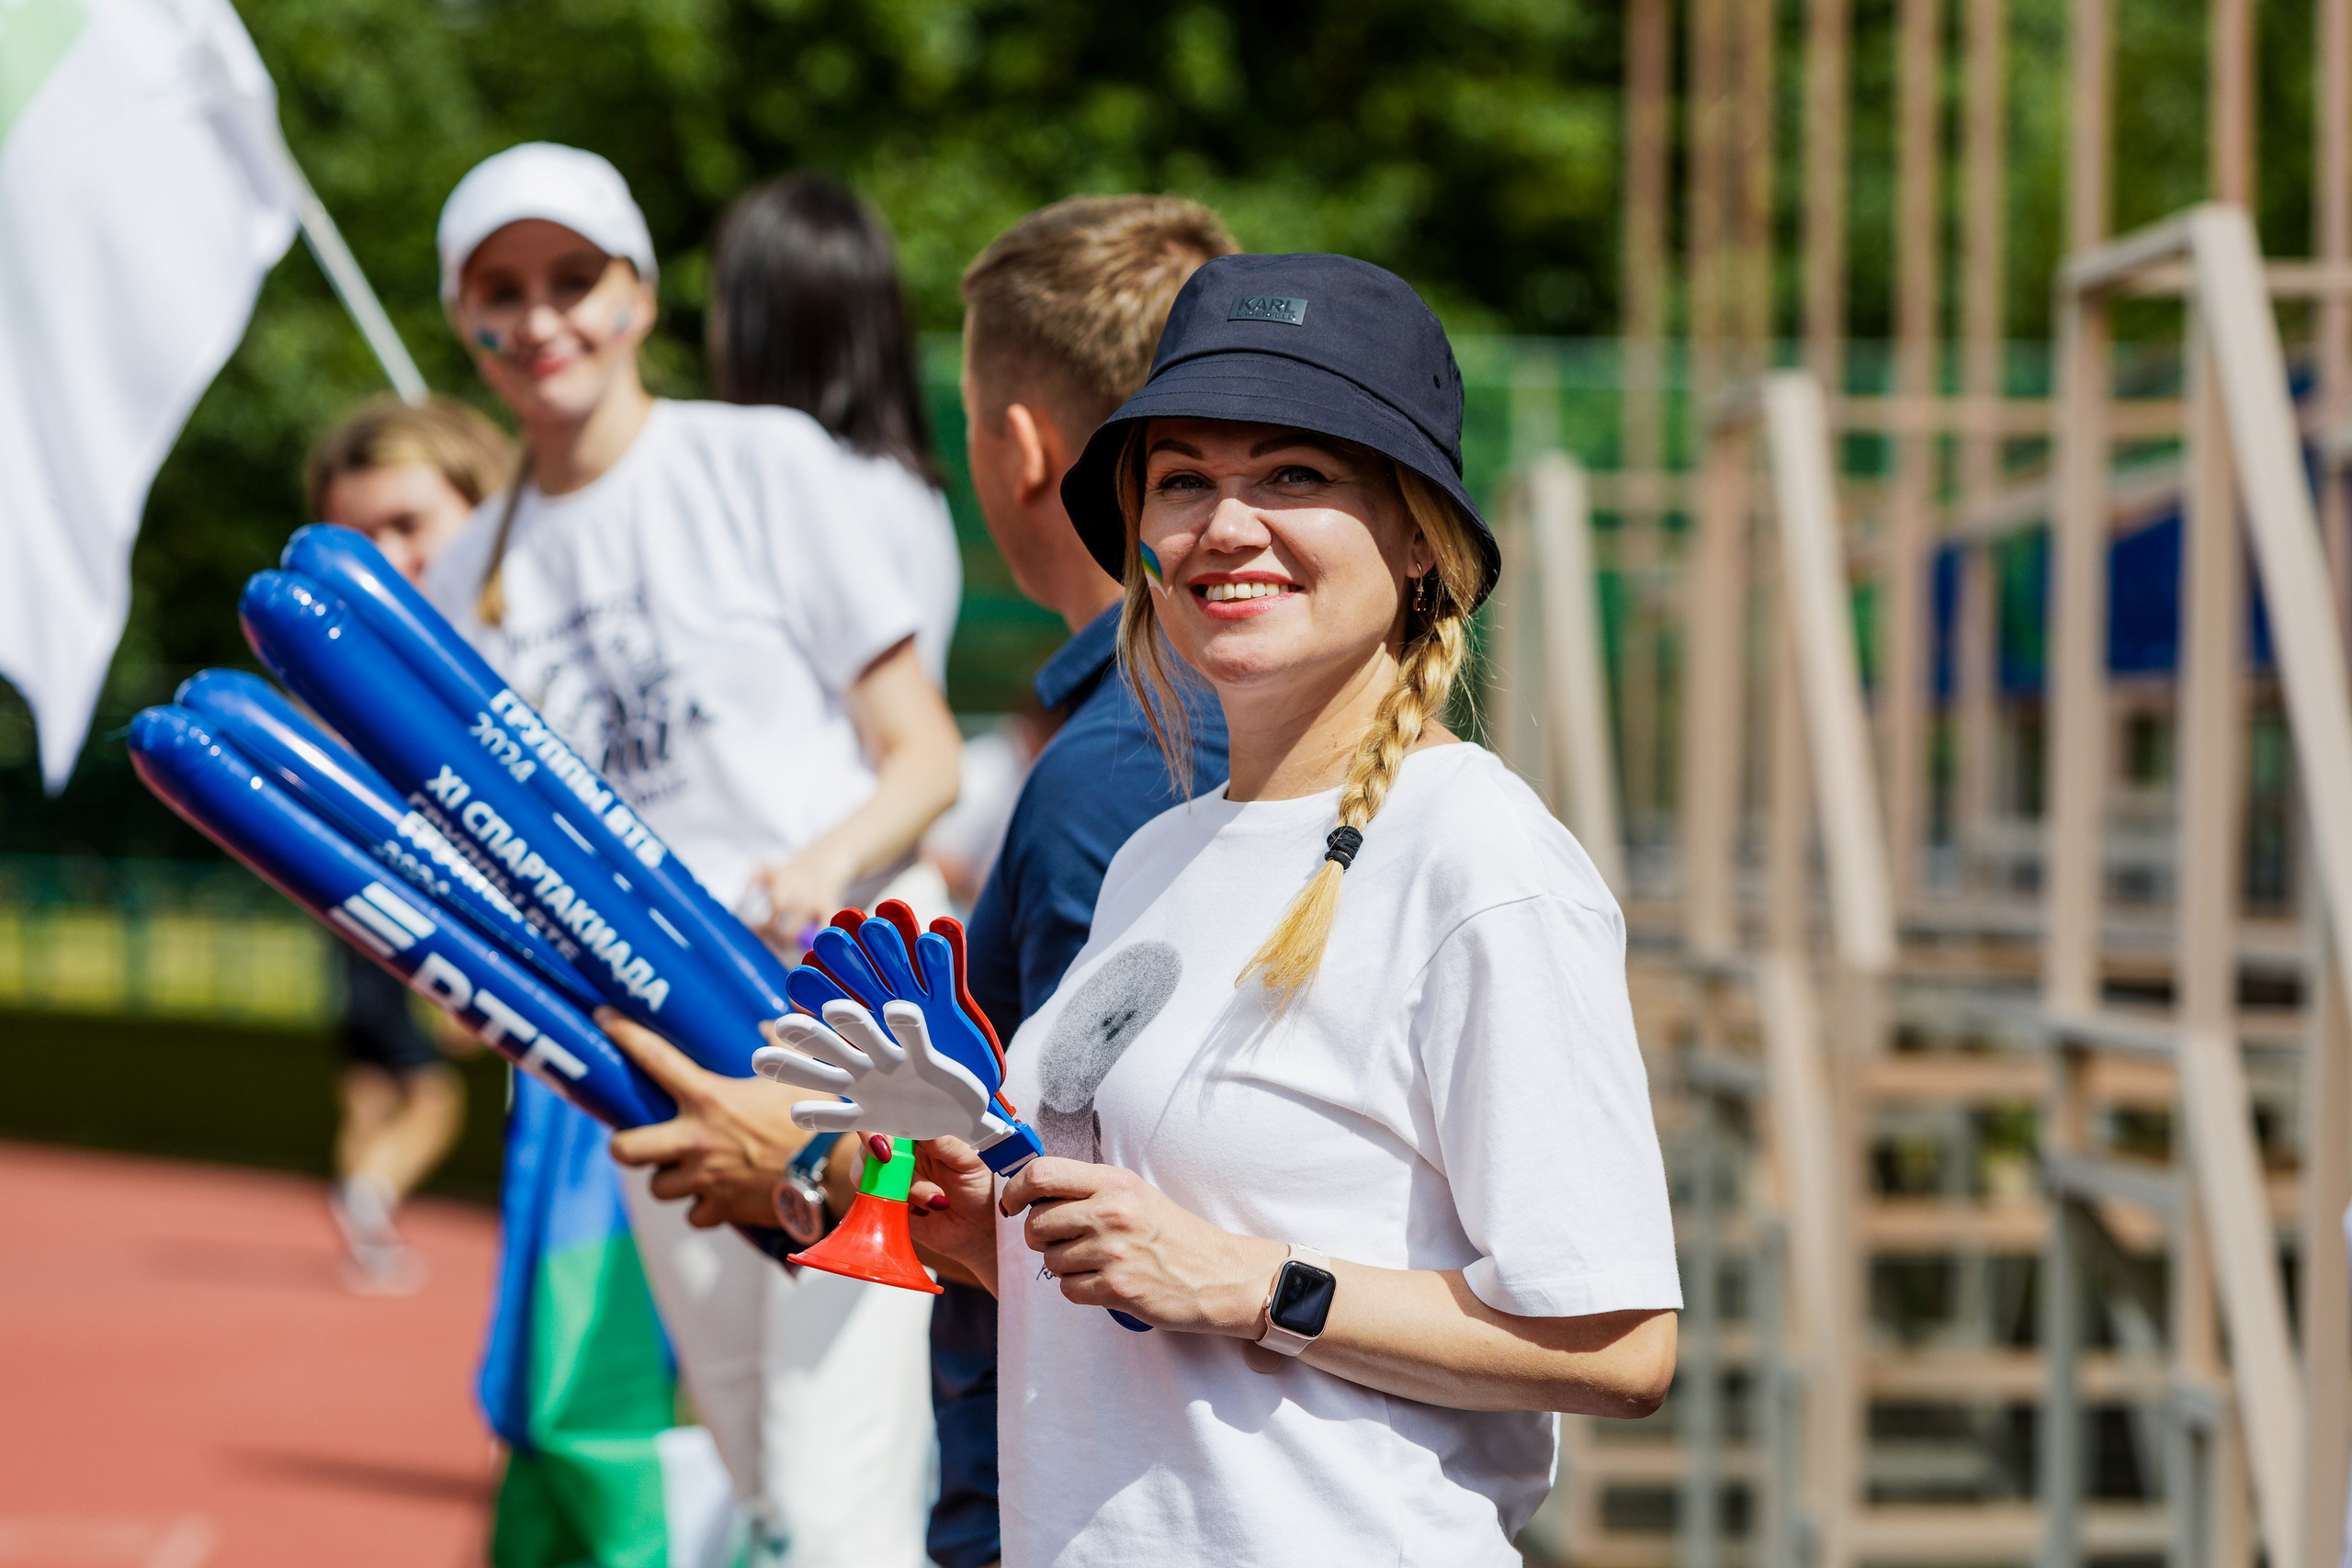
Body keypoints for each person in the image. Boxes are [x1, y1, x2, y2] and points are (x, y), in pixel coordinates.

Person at [897, 252, 1683, 1565]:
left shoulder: (1481, 859)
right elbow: (1154, 1297)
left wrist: (1265, 1284)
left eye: (1294, 476)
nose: (1227, 522)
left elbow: (1621, 1345)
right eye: (1185, 476)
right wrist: (994, 1242)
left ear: (1418, 536)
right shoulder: (1158, 853)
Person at [602, 194, 1243, 1568]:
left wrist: (823, 1158)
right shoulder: (1199, 728)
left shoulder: (1116, 763)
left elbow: (1107, 1186)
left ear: (1019, 450)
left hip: (1089, 1494)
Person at [422, 143, 962, 1567]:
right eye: (503, 291)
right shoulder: (464, 569)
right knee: (761, 1477)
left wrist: (818, 859)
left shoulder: (759, 464)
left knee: (841, 1490)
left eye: (574, 281)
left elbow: (924, 752)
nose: (543, 320)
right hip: (661, 1067)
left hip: (852, 1026)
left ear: (640, 297)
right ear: (464, 320)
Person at [304, 393, 512, 1292]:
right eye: (356, 538)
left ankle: (366, 1197)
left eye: (409, 522)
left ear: (486, 508)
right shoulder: (353, 690)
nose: (387, 559)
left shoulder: (550, 658)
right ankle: (368, 1205)